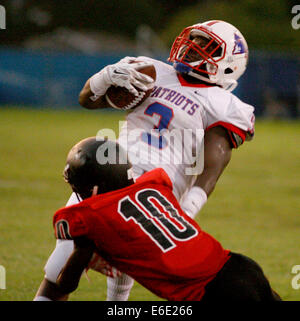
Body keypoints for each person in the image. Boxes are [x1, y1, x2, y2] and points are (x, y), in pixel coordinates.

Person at [34, 20, 255, 301]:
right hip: (110, 170)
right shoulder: (153, 70)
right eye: (194, 40)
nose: (192, 48)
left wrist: (189, 206)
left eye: (205, 45)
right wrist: (105, 76)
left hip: (156, 192)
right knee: (62, 262)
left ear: (228, 64)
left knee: (120, 259)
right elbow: (87, 99)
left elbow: (216, 159)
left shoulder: (224, 104)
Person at [40, 137, 280, 301]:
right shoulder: (155, 183)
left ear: (92, 188)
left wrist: (84, 246)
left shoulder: (88, 216)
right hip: (240, 266)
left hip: (209, 294)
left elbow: (65, 284)